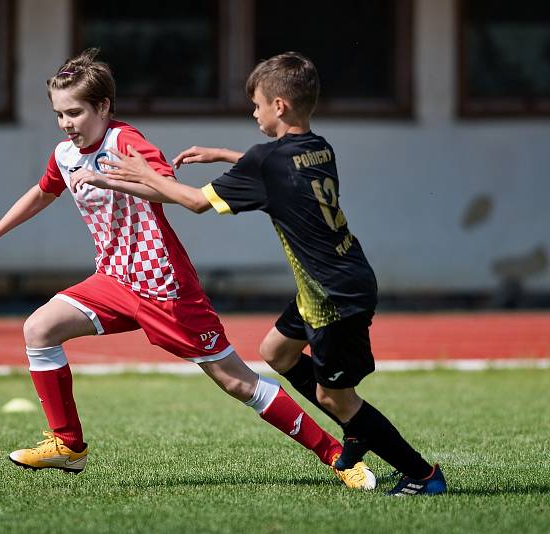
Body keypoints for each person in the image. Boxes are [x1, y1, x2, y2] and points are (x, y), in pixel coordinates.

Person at [0, 49, 374, 489]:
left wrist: (114, 178)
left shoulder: (125, 142)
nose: (66, 123)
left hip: (163, 284)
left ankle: (338, 455)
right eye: (59, 114)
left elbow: (167, 189)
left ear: (104, 107)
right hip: (112, 279)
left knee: (237, 382)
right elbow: (43, 192)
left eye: (75, 112)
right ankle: (68, 445)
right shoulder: (64, 154)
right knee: (39, 329)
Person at [97, 52, 446, 496]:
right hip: (335, 281)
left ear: (278, 106)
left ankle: (421, 474)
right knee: (276, 353)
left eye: (257, 105)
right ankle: (355, 427)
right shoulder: (319, 146)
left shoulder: (268, 161)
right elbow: (279, 167)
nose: (253, 112)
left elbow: (195, 202)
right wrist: (225, 155)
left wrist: (143, 172)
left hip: (333, 296)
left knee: (334, 398)